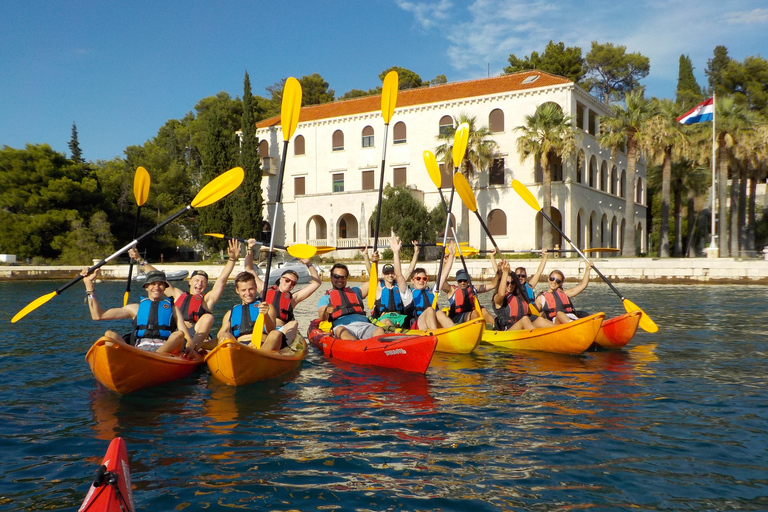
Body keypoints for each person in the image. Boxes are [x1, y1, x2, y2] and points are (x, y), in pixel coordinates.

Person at [128, 238, 241, 350]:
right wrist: (139, 259)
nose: (199, 284)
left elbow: (222, 279)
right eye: (196, 280)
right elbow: (157, 276)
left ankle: (192, 347)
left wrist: (232, 260)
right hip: (176, 332)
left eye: (203, 282)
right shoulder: (177, 294)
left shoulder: (207, 299)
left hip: (195, 333)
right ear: (190, 282)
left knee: (208, 317)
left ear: (206, 286)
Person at [81, 268, 200, 360]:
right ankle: (130, 361)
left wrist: (190, 349)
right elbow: (98, 316)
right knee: (109, 335)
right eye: (153, 284)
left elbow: (187, 338)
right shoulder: (135, 309)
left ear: (164, 288)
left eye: (160, 284)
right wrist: (89, 285)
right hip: (139, 350)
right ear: (146, 287)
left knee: (178, 334)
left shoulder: (173, 309)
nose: (156, 287)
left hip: (166, 351)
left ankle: (153, 357)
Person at [242, 238, 322, 343]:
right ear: (280, 279)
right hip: (261, 327)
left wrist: (308, 264)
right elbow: (249, 269)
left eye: (293, 283)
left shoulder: (293, 298)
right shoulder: (264, 290)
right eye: (287, 280)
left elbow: (316, 283)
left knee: (294, 323)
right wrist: (250, 249)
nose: (289, 284)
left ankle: (283, 348)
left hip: (280, 331)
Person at [216, 271, 286, 351]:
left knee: (275, 333)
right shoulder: (230, 313)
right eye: (243, 290)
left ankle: (260, 355)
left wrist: (266, 315)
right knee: (224, 334)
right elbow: (220, 335)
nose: (248, 293)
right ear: (237, 290)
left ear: (256, 287)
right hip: (239, 347)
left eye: (251, 289)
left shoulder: (267, 307)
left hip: (262, 345)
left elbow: (270, 330)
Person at [317, 262, 385, 340]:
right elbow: (321, 316)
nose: (340, 279)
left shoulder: (356, 291)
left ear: (346, 278)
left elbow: (373, 281)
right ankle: (357, 347)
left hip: (364, 325)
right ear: (331, 277)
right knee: (341, 331)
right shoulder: (326, 298)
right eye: (336, 276)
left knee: (379, 330)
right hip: (343, 327)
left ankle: (380, 349)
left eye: (343, 277)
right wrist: (325, 311)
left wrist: (374, 262)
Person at [444, 243, 499, 325]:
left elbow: (493, 285)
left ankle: (494, 328)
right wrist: (445, 263)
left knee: (483, 310)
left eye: (465, 280)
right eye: (460, 281)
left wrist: (493, 259)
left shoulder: (473, 289)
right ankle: (477, 331)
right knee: (474, 313)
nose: (463, 282)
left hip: (472, 315)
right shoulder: (451, 290)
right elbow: (441, 281)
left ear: (468, 280)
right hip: (457, 317)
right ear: (457, 281)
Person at [492, 261, 552, 331]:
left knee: (539, 320)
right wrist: (505, 272)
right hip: (507, 331)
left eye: (513, 283)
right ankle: (538, 338)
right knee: (524, 319)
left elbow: (538, 273)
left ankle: (559, 331)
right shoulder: (498, 298)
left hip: (522, 328)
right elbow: (501, 294)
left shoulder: (520, 295)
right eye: (507, 283)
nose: (510, 285)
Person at [370, 236, 411, 328]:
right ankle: (394, 332)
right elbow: (371, 274)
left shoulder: (399, 285)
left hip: (400, 317)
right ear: (383, 275)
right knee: (388, 323)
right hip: (385, 317)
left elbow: (404, 272)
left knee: (410, 321)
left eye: (391, 273)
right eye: (387, 273)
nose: (390, 275)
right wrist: (373, 261)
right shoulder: (379, 286)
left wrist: (396, 252)